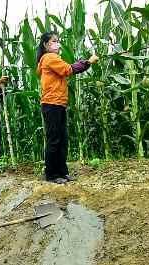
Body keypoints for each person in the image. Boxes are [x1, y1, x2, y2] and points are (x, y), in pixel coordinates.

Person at [36, 31, 99, 184]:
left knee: (62, 139)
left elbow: (66, 68)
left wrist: (83, 62)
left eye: (58, 41)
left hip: (58, 103)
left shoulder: (53, 59)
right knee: (54, 140)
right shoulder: (49, 58)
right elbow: (68, 70)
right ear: (45, 45)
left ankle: (62, 172)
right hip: (52, 104)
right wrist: (88, 62)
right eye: (53, 41)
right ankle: (51, 174)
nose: (57, 43)